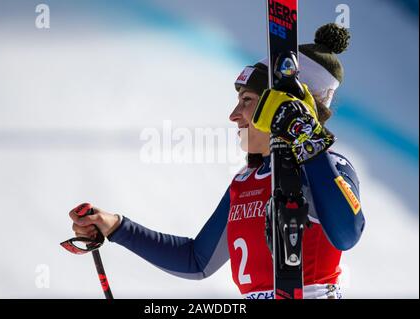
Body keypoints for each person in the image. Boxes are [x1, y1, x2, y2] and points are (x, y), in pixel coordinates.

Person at [68, 23, 365, 299]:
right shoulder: (244, 181)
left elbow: (347, 233)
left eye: (247, 101)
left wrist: (307, 138)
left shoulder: (328, 166)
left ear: (279, 106)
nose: (234, 115)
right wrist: (116, 226)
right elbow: (197, 260)